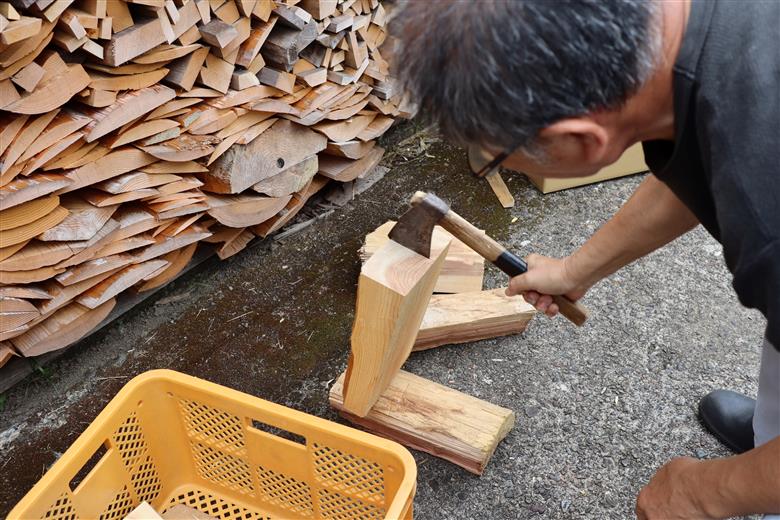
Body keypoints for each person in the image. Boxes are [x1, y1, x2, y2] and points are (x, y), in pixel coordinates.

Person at [393, 0, 780, 518]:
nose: (490, 163)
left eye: (496, 156)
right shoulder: (692, 35)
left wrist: (705, 493)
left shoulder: (765, 205)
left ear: (578, 139)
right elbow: (695, 163)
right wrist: (578, 269)